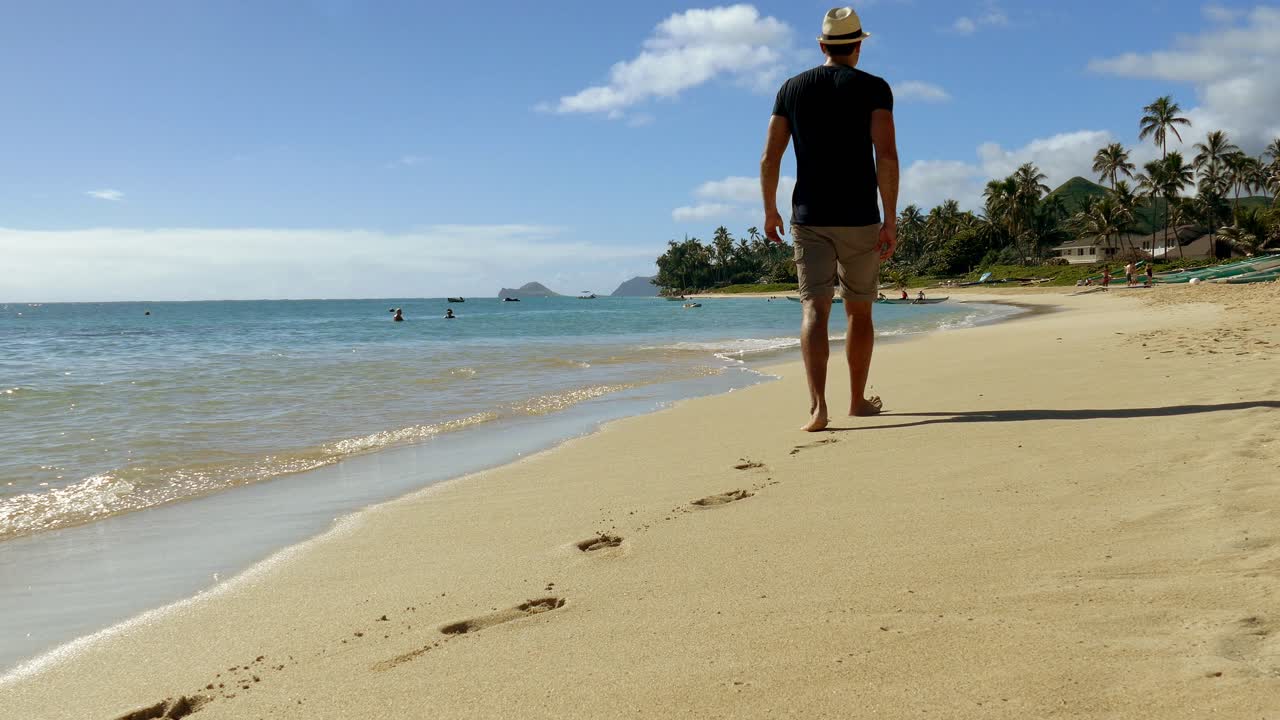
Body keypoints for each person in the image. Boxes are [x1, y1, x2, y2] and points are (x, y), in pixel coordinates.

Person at [761, 6, 897, 432]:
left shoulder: (791, 89)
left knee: (814, 309)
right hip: (859, 216)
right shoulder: (875, 89)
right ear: (857, 46)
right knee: (859, 311)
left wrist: (770, 210)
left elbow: (771, 156)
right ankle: (857, 400)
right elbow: (887, 156)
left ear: (822, 45)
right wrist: (890, 218)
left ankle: (818, 407)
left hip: (809, 216)